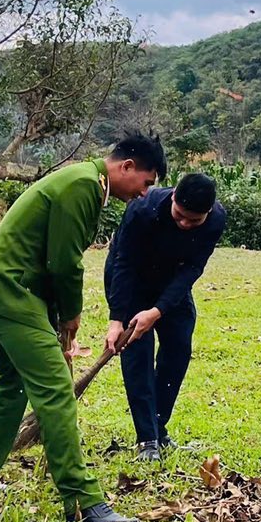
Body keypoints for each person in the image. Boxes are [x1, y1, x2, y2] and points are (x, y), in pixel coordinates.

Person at [0, 132, 166, 522]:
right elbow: (63, 262)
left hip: (2, 288)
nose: (143, 193)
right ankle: (83, 501)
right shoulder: (83, 186)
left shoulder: (84, 182)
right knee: (54, 391)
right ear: (127, 167)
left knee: (12, 385)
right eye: (146, 183)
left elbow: (49, 255)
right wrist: (70, 317)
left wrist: (56, 323)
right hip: (8, 290)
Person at [103, 171, 227, 460]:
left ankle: (159, 428)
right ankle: (147, 440)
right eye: (180, 215)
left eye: (194, 221)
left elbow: (193, 268)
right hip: (132, 282)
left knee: (178, 348)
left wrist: (157, 311)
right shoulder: (142, 210)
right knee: (138, 357)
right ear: (173, 197)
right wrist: (116, 319)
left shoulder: (216, 220)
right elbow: (123, 264)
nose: (185, 224)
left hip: (172, 284)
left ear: (208, 213)